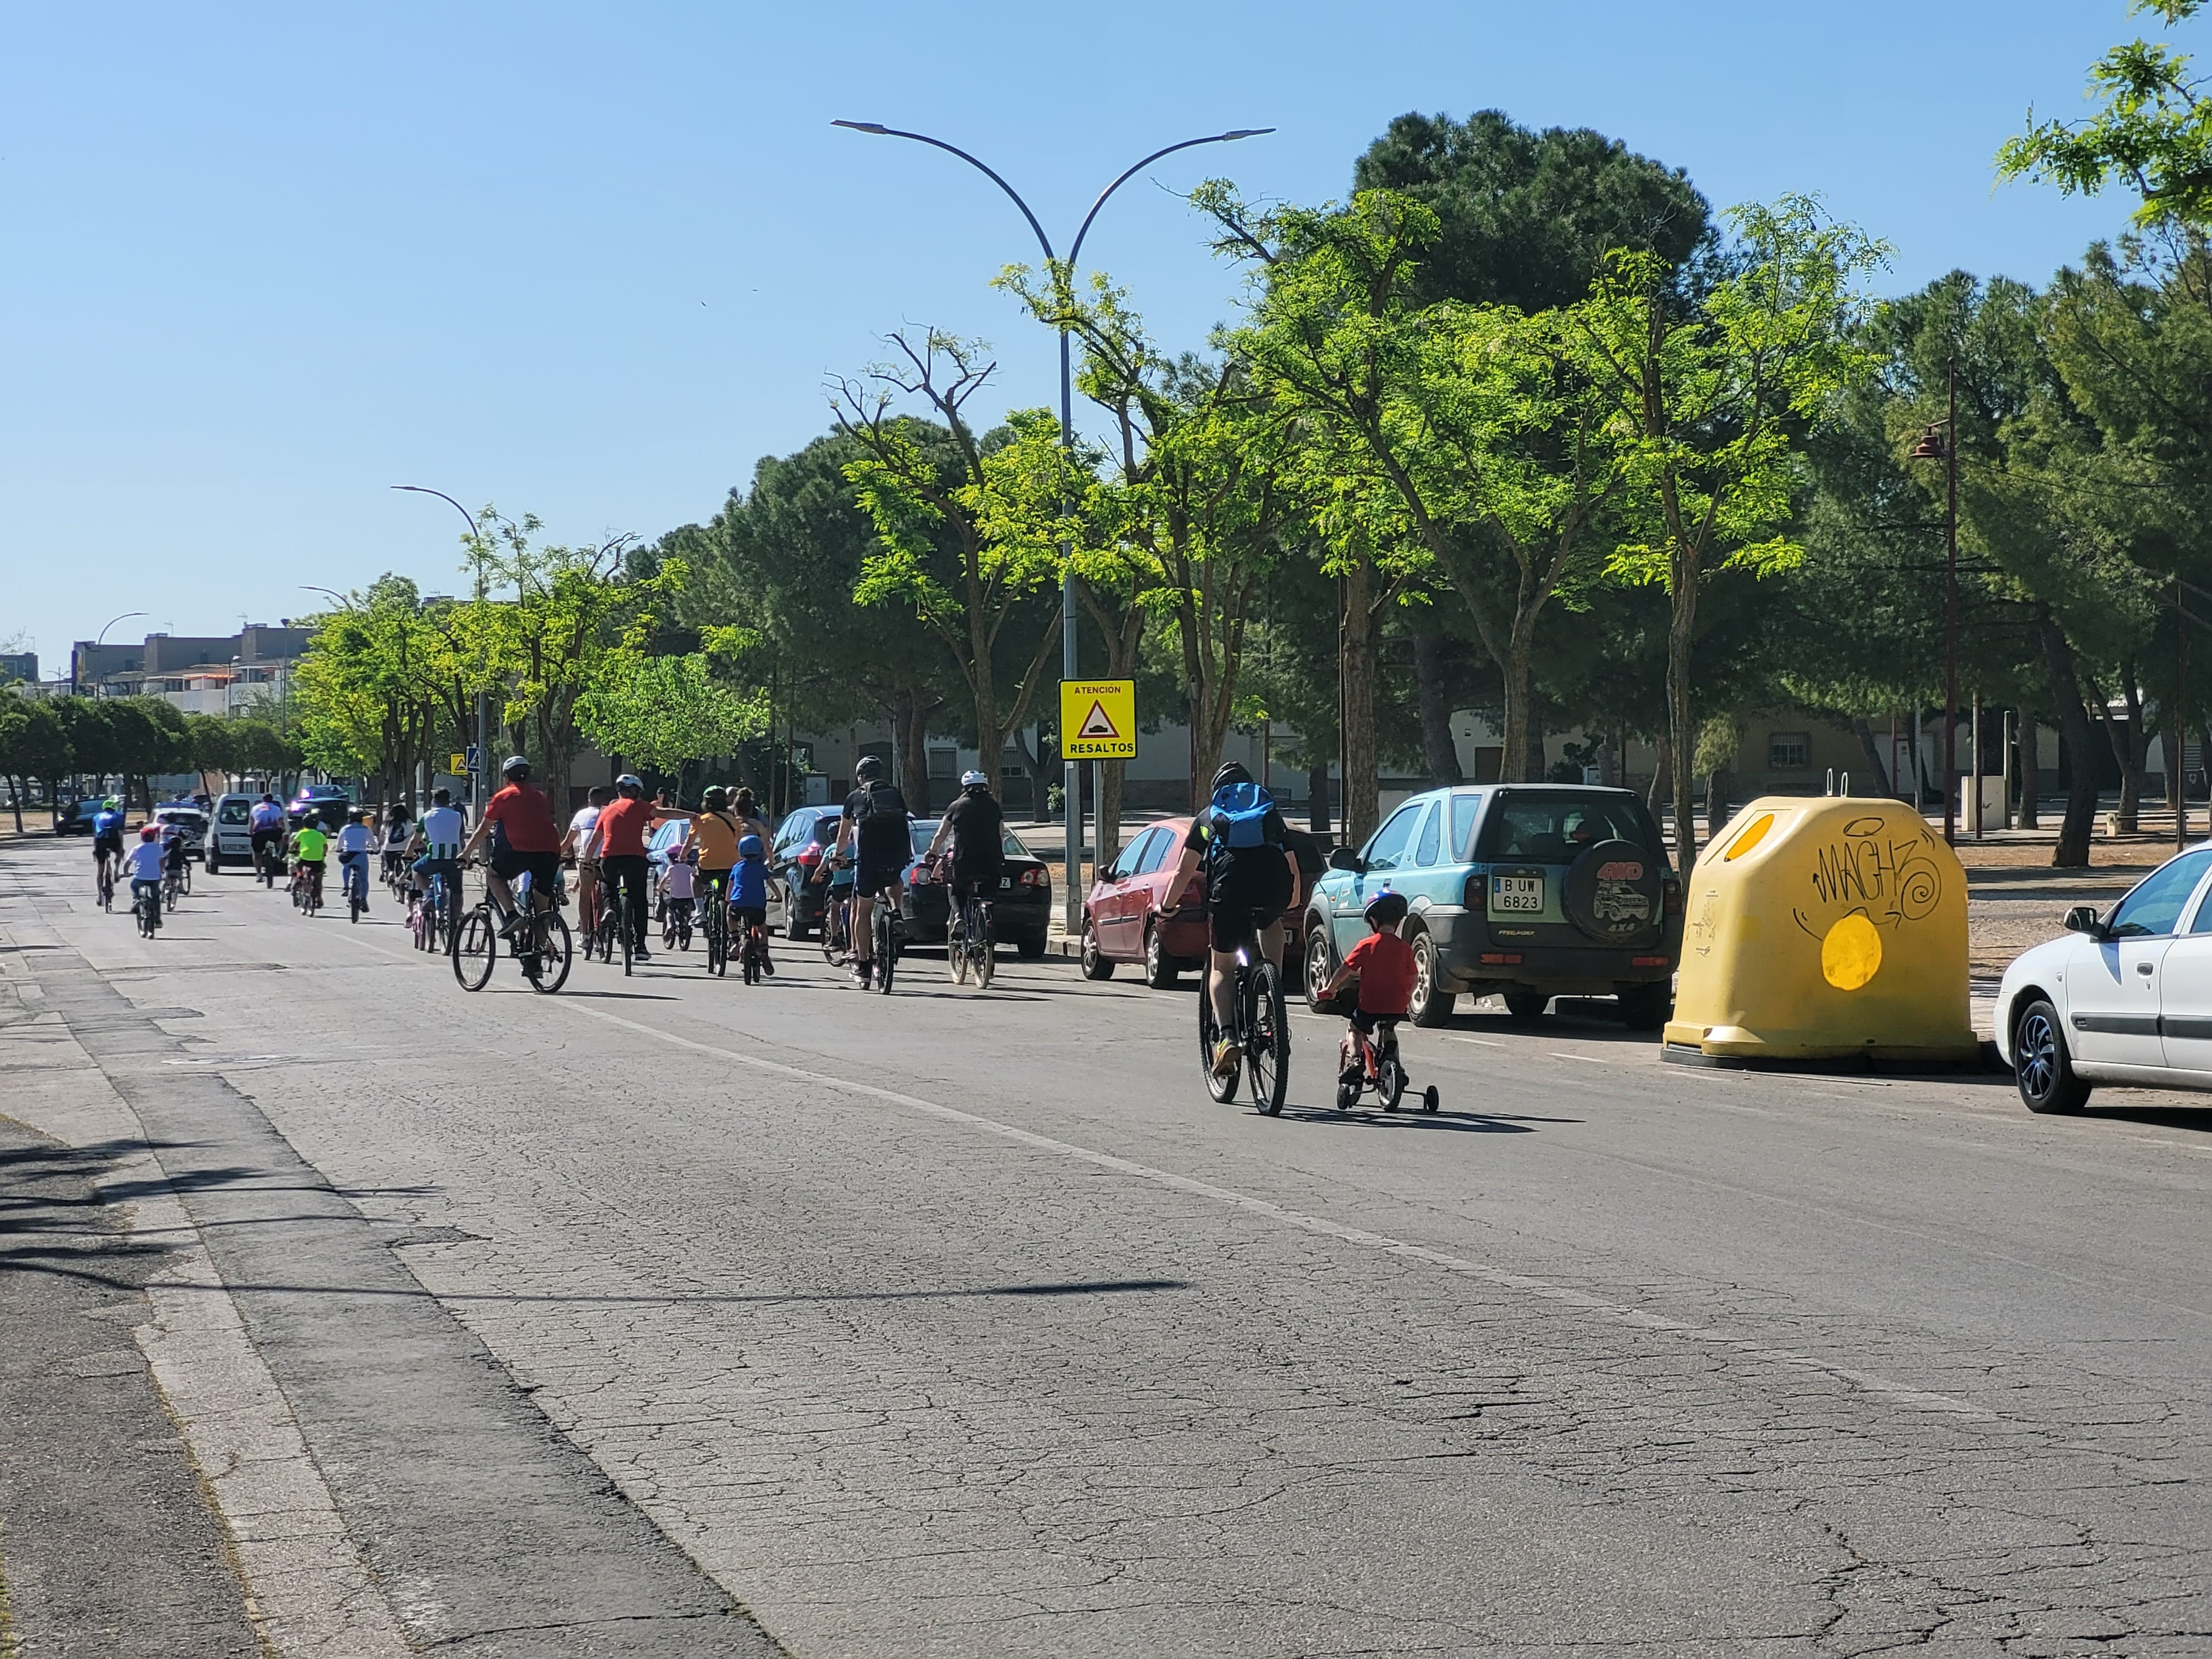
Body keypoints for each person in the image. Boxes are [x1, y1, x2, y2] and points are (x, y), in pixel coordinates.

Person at [1160, 761, 1299, 1078]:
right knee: (1270, 922)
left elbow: (1184, 871)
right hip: (1273, 887)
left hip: (1230, 890)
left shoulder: (1209, 818)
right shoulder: (1270, 815)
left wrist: (1167, 907)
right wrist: (1289, 903)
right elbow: (1291, 864)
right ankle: (1272, 994)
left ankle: (1227, 1038)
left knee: (1221, 968)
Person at [580, 774, 692, 961]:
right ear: (636, 792)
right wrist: (691, 815)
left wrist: (586, 861)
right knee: (639, 899)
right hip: (634, 859)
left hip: (610, 858)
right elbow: (665, 813)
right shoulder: (640, 807)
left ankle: (609, 908)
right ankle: (640, 946)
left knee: (608, 884)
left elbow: (595, 841)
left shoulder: (606, 811)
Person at [832, 755, 911, 988]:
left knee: (863, 909)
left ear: (860, 777)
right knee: (894, 879)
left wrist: (838, 857)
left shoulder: (855, 797)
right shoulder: (895, 794)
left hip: (868, 858)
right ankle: (896, 912)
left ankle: (864, 965)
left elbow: (843, 835)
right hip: (896, 853)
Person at [1322, 890, 1418, 1081]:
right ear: (1398, 921)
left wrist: (1330, 988)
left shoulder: (1367, 944)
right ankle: (1394, 1064)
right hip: (1397, 1006)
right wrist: (1408, 995)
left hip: (1370, 1005)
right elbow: (1415, 978)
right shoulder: (1405, 949)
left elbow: (1345, 969)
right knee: (1389, 1029)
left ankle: (1356, 1060)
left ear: (1373, 920)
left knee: (1354, 1030)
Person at [461, 756, 561, 934]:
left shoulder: (503, 797)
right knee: (541, 907)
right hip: (550, 852)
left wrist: (466, 853)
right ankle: (540, 951)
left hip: (521, 850)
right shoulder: (540, 797)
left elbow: (484, 828)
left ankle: (512, 915)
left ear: (506, 777)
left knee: (494, 875)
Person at [923, 769, 1006, 938]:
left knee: (955, 888)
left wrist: (932, 851)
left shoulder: (956, 806)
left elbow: (941, 834)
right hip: (991, 861)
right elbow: (1001, 834)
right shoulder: (994, 806)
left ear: (965, 788)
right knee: (990, 886)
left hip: (964, 860)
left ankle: (959, 916)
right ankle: (987, 907)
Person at [683, 787, 744, 924]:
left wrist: (682, 856)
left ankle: (700, 912)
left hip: (707, 866)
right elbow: (738, 842)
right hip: (731, 865)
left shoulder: (700, 820)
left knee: (695, 878)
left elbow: (688, 844)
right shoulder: (733, 820)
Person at [409, 788, 467, 932]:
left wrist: (408, 853)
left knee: (416, 870)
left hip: (433, 858)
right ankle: (458, 914)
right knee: (457, 891)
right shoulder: (457, 816)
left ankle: (428, 895)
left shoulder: (427, 817)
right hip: (453, 860)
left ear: (434, 801)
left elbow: (415, 839)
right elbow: (461, 838)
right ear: (449, 801)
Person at [561, 785, 612, 934]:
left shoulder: (582, 814)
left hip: (587, 860)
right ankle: (606, 920)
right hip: (606, 859)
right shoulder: (609, 812)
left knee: (584, 895)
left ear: (588, 800)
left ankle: (584, 933)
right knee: (607, 890)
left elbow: (567, 842)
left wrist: (554, 855)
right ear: (603, 801)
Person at [730, 833, 772, 973]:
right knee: (761, 928)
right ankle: (765, 952)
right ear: (760, 851)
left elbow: (730, 886)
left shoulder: (736, 867)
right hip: (757, 906)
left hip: (738, 904)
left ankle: (735, 939)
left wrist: (728, 900)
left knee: (730, 914)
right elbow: (771, 883)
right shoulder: (762, 868)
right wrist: (777, 896)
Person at [125, 825, 166, 928]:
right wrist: (161, 872)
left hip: (140, 877)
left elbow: (128, 863)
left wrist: (126, 872)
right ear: (154, 837)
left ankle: (137, 900)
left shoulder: (137, 848)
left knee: (134, 886)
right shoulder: (158, 848)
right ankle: (157, 920)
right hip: (154, 877)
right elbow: (162, 861)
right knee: (156, 897)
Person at [334, 809, 375, 910]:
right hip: (361, 855)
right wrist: (375, 850)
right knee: (364, 879)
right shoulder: (366, 829)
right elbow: (373, 844)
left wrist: (339, 849)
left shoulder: (345, 829)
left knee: (346, 866)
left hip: (347, 855)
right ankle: (363, 899)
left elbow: (339, 844)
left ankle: (346, 887)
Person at [658, 848, 698, 945]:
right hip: (689, 897)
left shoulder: (672, 869)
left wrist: (659, 888)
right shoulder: (689, 868)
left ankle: (670, 925)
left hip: (676, 896)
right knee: (687, 912)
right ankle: (687, 924)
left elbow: (664, 880)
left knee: (669, 911)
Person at [290, 816, 329, 909]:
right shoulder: (320, 835)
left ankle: (299, 879)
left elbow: (294, 844)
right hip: (317, 860)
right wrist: (323, 854)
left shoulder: (302, 833)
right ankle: (318, 898)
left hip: (304, 858)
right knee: (319, 879)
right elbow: (325, 847)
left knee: (298, 866)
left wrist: (291, 850)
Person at [92, 797, 127, 892]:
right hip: (113, 839)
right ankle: (116, 871)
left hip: (101, 841)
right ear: (114, 808)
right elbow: (120, 833)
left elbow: (96, 834)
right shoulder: (119, 816)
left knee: (100, 871)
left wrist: (95, 850)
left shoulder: (96, 817)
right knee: (119, 853)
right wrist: (121, 849)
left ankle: (99, 896)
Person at [249, 793, 286, 876]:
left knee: (257, 854)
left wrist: (251, 833)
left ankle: (259, 873)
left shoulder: (255, 808)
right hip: (274, 831)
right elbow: (280, 822)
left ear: (262, 800)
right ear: (272, 800)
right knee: (280, 838)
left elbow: (252, 823)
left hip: (259, 833)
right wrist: (283, 830)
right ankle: (277, 853)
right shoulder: (276, 808)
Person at [380, 800, 413, 887]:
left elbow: (382, 835)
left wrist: (380, 844)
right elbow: (412, 834)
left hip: (389, 848)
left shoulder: (388, 823)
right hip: (404, 847)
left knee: (390, 866)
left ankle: (391, 874)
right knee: (408, 863)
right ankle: (406, 878)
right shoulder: (408, 822)